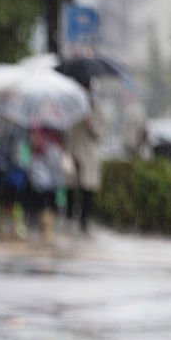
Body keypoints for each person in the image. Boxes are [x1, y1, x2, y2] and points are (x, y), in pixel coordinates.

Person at [67, 83, 103, 233]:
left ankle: (84, 220)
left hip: (89, 154)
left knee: (88, 188)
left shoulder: (97, 110)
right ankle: (70, 216)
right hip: (74, 150)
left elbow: (100, 133)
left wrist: (90, 125)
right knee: (71, 187)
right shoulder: (72, 107)